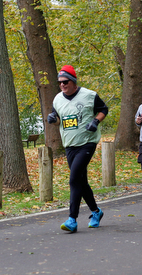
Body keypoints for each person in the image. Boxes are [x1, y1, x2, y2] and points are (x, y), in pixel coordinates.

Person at [48, 65, 108, 233]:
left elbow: (104, 109)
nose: (62, 85)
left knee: (74, 179)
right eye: (59, 82)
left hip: (87, 142)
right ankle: (96, 212)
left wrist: (95, 121)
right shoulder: (57, 99)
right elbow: (58, 118)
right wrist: (53, 119)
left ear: (73, 81)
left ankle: (72, 219)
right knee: (81, 182)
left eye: (65, 82)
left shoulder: (89, 95)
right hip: (70, 145)